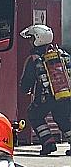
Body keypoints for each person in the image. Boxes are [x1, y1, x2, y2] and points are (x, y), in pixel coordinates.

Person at [18, 24, 71, 155]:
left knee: (34, 114)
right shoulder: (62, 54)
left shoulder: (34, 59)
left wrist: (25, 90)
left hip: (45, 97)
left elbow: (26, 82)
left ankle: (48, 142)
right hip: (64, 94)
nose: (30, 42)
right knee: (62, 118)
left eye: (31, 39)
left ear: (37, 39)